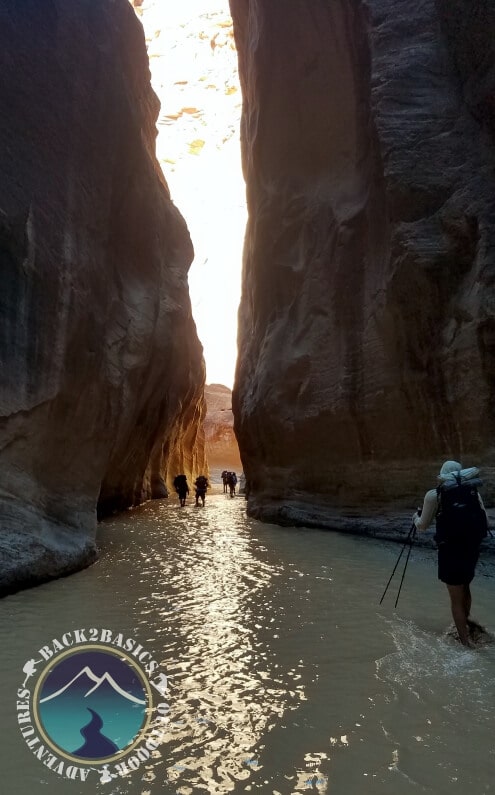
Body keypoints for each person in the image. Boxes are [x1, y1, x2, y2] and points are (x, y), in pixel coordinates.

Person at [413, 460, 488, 647]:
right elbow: (484, 519)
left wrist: (415, 517)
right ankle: (466, 623)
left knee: (455, 598)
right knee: (465, 588)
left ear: (442, 474)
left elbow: (422, 525)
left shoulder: (434, 495)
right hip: (471, 548)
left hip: (450, 550)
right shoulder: (472, 491)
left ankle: (465, 642)